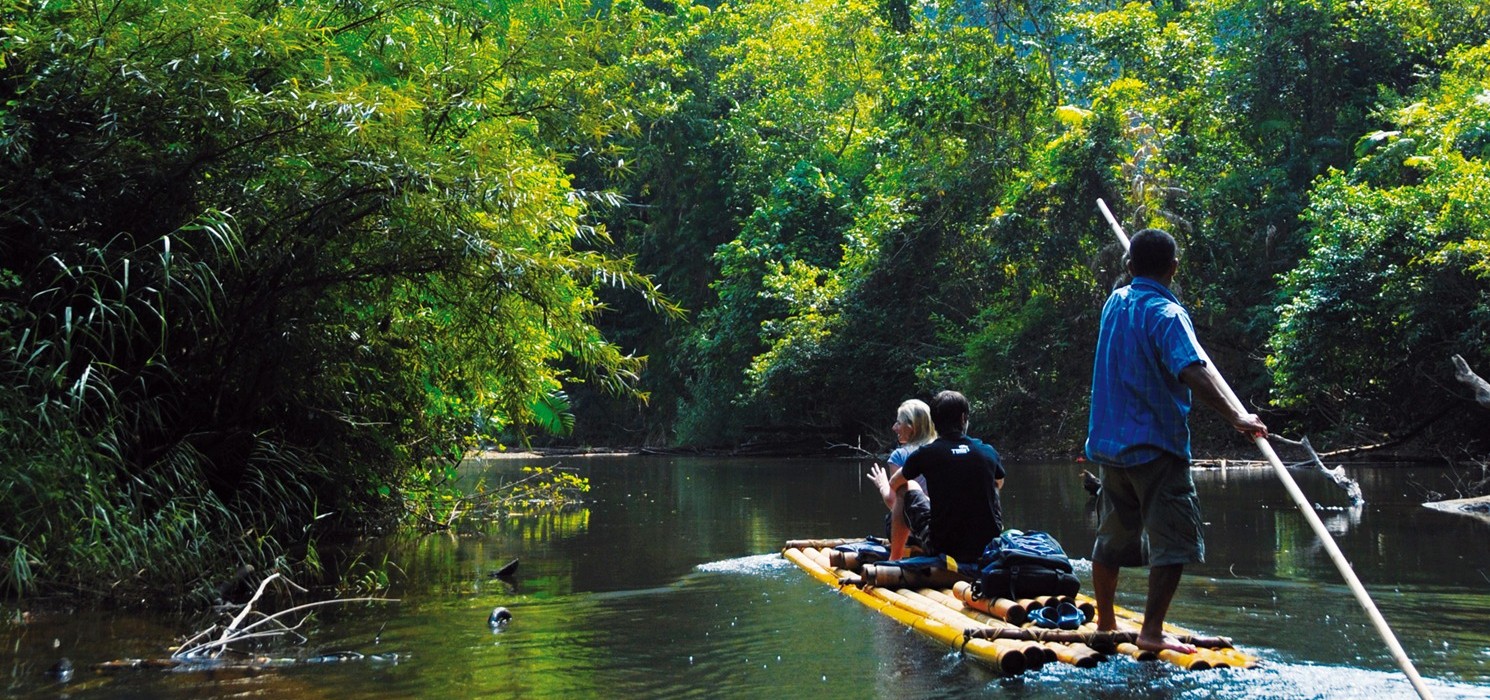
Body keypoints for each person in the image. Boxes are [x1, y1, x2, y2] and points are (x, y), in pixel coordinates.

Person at [1086, 228, 1268, 654]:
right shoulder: (1167, 315)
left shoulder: (1114, 305)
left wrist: (1137, 269)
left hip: (1110, 448)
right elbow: (1192, 370)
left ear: (1130, 267)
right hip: (1156, 449)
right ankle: (1151, 631)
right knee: (1172, 542)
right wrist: (1238, 416)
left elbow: (1181, 354)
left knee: (1111, 537)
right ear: (1174, 268)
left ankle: (1108, 622)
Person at [870, 390, 1005, 564]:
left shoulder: (927, 454)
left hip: (943, 547)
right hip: (987, 545)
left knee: (907, 486)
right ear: (963, 418)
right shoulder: (987, 451)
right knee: (992, 481)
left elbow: (895, 484)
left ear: (934, 421)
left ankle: (894, 558)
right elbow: (999, 483)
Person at [865, 399, 937, 559]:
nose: (894, 428)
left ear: (911, 428)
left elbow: (895, 503)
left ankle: (895, 557)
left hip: (919, 533)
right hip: (944, 529)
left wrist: (882, 485)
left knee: (894, 513)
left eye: (898, 423)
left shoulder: (900, 456)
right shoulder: (942, 450)